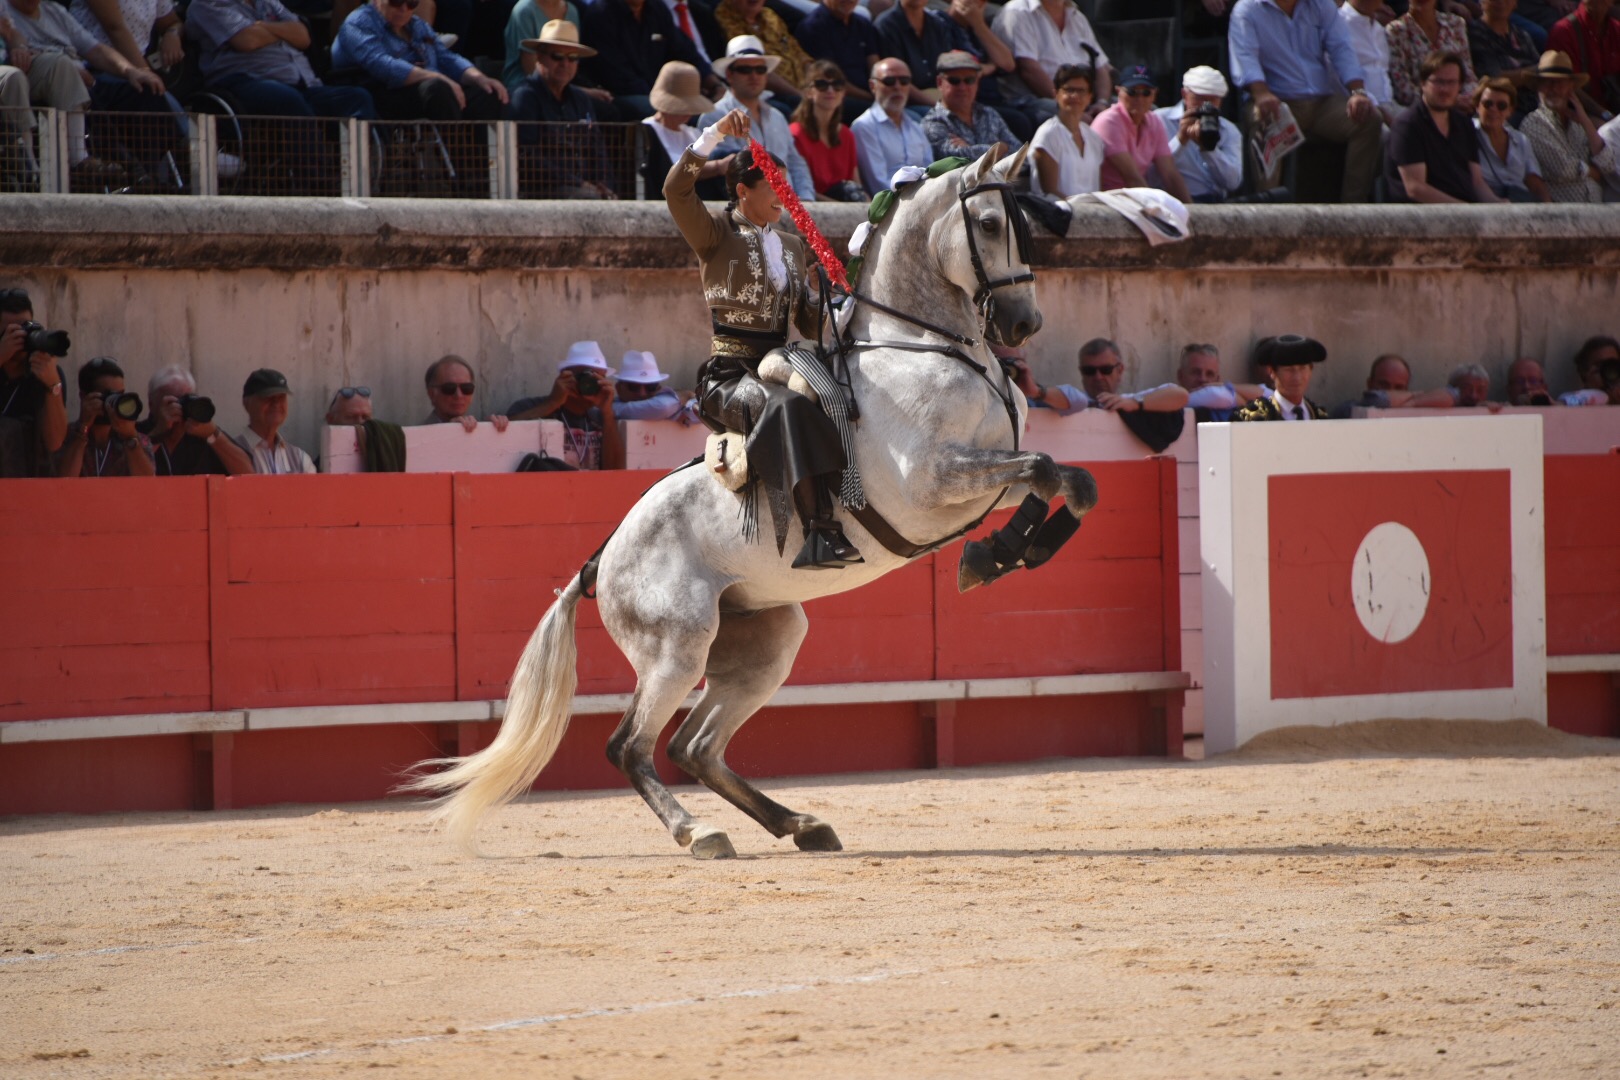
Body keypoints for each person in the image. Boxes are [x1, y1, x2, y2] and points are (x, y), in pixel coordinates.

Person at [665, 107, 858, 568]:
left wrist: (830, 297)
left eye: (785, 186)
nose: (783, 197)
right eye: (773, 186)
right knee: (787, 406)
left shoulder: (792, 246)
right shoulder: (714, 234)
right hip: (729, 376)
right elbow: (675, 190)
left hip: (783, 362)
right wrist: (714, 133)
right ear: (742, 191)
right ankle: (818, 530)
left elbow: (807, 324)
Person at [1228, 0, 1382, 203]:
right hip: (1276, 100)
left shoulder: (1321, 4)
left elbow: (1342, 47)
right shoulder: (1247, 9)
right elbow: (1245, 56)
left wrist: (1358, 92)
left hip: (1321, 103)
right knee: (1267, 120)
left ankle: (1353, 208)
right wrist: (1261, 93)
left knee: (1369, 119)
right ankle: (1269, 212)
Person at [5, 0, 173, 184]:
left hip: (85, 82)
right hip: (48, 84)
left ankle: (154, 173)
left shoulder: (54, 11)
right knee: (85, 92)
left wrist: (131, 71)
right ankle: (112, 167)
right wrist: (68, 69)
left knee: (145, 90)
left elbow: (96, 49)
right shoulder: (4, 10)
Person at [329, 0, 509, 121]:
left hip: (427, 90)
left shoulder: (417, 24)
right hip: (381, 92)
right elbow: (384, 66)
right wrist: (437, 77)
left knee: (488, 92)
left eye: (411, 3)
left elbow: (446, 58)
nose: (404, 9)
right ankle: (455, 159)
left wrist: (479, 78)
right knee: (436, 88)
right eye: (396, 2)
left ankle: (480, 163)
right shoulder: (358, 23)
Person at [700, 35, 818, 200]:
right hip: (749, 208)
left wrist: (806, 200)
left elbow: (795, 164)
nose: (754, 75)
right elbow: (732, 175)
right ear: (729, 74)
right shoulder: (715, 117)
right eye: (745, 70)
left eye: (760, 70)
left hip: (788, 207)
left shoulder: (777, 117)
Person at [510, 20, 616, 198]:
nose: (565, 63)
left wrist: (604, 184)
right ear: (539, 57)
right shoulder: (524, 97)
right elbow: (525, 155)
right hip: (539, 191)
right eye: (557, 56)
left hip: (583, 188)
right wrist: (577, 183)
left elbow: (598, 150)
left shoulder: (581, 99)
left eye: (572, 57)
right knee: (588, 198)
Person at [1387, 50, 1505, 203]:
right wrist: (1467, 211)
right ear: (1423, 83)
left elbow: (1477, 183)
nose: (1445, 89)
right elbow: (1415, 188)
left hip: (1465, 210)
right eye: (1438, 82)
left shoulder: (1464, 124)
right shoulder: (1407, 125)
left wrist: (1498, 205)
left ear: (1460, 86)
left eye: (1451, 82)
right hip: (1422, 214)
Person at [507, 341, 628, 468]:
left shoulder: (601, 418)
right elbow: (504, 438)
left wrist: (607, 413)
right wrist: (553, 402)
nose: (590, 384)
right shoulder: (529, 407)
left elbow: (616, 471)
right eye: (585, 376)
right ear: (565, 375)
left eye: (598, 378)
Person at [579, 0, 707, 120]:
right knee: (685, 115)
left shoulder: (657, 8)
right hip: (618, 96)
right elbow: (614, 74)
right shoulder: (601, 13)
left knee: (705, 110)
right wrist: (660, 95)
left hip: (659, 93)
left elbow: (683, 50)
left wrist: (710, 79)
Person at [1522, 49, 1616, 201]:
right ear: (1538, 86)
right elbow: (1562, 169)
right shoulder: (1533, 123)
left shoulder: (1579, 125)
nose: (1554, 88)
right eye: (1547, 82)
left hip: (1596, 209)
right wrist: (1592, 171)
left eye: (1560, 83)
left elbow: (1608, 164)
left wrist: (1585, 120)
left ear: (1571, 87)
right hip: (1563, 212)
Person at [1091, 65, 1191, 202]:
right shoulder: (1108, 121)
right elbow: (1132, 177)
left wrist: (1191, 211)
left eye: (1146, 93)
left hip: (1135, 200)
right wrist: (1155, 209)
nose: (1139, 98)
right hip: (1107, 202)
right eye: (1132, 92)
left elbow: (1170, 174)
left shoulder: (1154, 121)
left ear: (1154, 94)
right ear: (1118, 91)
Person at [991, 0, 1111, 110]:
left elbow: (1101, 67)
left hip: (1083, 101)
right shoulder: (1017, 12)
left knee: (1116, 112)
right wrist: (1072, 110)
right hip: (1036, 102)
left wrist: (1101, 103)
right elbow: (1029, 70)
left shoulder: (1077, 17)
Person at [139, 365, 254, 475]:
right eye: (173, 402)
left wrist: (213, 434)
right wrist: (158, 433)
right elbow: (130, 472)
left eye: (186, 400)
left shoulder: (203, 435)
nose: (180, 407)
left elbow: (248, 474)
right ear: (151, 404)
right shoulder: (136, 433)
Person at [0, 287, 67, 477]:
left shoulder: (44, 372)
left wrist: (53, 385)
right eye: (11, 332)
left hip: (28, 482)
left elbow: (54, 442)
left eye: (24, 329)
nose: (20, 338)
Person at [1153, 65, 1242, 203]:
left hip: (1215, 203)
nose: (1205, 106)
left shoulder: (1229, 130)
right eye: (1199, 98)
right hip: (1171, 202)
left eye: (1213, 100)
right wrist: (1180, 140)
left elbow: (1232, 183)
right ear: (1184, 94)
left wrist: (1209, 149)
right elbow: (1150, 175)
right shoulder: (1159, 120)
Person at [55, 356, 156, 477]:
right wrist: (83, 428)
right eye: (107, 395)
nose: (113, 402)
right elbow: (63, 481)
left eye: (119, 395)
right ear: (83, 397)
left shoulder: (136, 439)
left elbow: (147, 482)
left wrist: (129, 436)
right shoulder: (64, 436)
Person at [640, 60, 726, 196]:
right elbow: (666, 175)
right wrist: (717, 167)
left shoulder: (693, 133)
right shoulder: (646, 132)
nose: (687, 112)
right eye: (681, 106)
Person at [1043, 338, 1191, 416]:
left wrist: (1134, 403)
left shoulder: (1130, 400)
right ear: (1081, 372)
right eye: (1089, 371)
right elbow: (1044, 395)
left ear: (1120, 370)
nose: (1098, 377)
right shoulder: (1072, 400)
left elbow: (1180, 395)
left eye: (1106, 370)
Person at [849, 56, 932, 193]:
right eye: (889, 81)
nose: (897, 87)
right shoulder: (864, 127)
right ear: (873, 86)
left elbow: (930, 171)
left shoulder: (916, 127)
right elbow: (878, 185)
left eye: (904, 81)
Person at [920, 49, 1018, 159]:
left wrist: (972, 149)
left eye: (969, 80)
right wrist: (1001, 148)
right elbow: (956, 158)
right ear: (939, 82)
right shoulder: (933, 122)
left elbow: (1021, 154)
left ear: (977, 82)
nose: (962, 87)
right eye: (954, 80)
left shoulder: (989, 114)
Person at [792, 0, 878, 122]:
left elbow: (874, 63)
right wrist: (871, 97)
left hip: (870, 94)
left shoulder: (863, 24)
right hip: (835, 95)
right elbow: (829, 77)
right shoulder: (813, 27)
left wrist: (880, 89)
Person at [715, 0, 812, 108]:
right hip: (772, 94)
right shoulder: (725, 17)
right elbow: (754, 67)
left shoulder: (770, 15)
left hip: (803, 86)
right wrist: (799, 95)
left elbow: (799, 53)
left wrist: (814, 86)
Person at [790, 59, 865, 198]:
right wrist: (837, 207)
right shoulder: (796, 134)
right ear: (808, 92)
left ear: (843, 93)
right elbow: (801, 188)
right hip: (813, 206)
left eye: (837, 85)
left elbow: (856, 183)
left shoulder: (846, 134)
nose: (831, 90)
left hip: (848, 204)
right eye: (822, 85)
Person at [1028, 62, 1103, 197]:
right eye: (1069, 90)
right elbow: (1050, 191)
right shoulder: (1048, 135)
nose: (1075, 95)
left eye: (1081, 91)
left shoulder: (1094, 138)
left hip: (1089, 208)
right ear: (1056, 94)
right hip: (1055, 209)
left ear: (1090, 97)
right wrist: (1080, 208)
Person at [1388, 0, 1479, 108]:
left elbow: (1468, 74)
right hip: (1423, 109)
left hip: (1463, 107)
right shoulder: (1396, 31)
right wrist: (1449, 100)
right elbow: (1402, 88)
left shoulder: (1455, 24)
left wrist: (1469, 99)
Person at [1475, 75, 1552, 199]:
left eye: (1501, 106)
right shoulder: (1468, 134)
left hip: (1518, 203)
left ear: (1510, 111)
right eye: (1488, 104)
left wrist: (1549, 209)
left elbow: (1536, 184)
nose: (1493, 109)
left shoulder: (1521, 140)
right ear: (1477, 106)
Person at [227, 367, 316, 473]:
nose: (276, 403)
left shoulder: (301, 459)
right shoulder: (227, 453)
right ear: (246, 403)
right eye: (268, 397)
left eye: (281, 397)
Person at [873, 0, 955, 108]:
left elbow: (948, 68)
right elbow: (895, 79)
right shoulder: (886, 25)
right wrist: (936, 105)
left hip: (939, 97)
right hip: (905, 103)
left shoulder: (937, 24)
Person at [1469, 0, 1542, 118]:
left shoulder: (1522, 35)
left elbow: (1542, 74)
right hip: (1501, 108)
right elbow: (1493, 78)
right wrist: (1532, 73)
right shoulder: (1475, 33)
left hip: (1535, 105)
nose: (1501, 2)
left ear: (1515, 3)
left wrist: (1530, 74)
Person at [1232, 334, 1331, 421]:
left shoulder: (1319, 416)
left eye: (1302, 368)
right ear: (1272, 372)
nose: (1297, 377)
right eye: (1289, 370)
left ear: (1310, 370)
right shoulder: (1253, 418)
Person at [1547, 0, 1620, 114]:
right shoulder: (1563, 31)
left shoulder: (1616, 30)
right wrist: (1604, 114)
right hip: (1578, 113)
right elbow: (1566, 87)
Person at [1335, 0, 1399, 124]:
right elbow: (1336, 78)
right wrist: (1379, 110)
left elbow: (1383, 71)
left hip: (1390, 105)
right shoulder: (1338, 23)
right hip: (1360, 110)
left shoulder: (1378, 29)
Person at [501, 0, 580, 94]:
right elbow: (531, 70)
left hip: (563, 89)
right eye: (556, 56)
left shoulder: (572, 11)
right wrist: (582, 92)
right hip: (524, 89)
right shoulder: (524, 10)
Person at [1174, 342, 1268, 419]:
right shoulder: (1170, 398)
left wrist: (1226, 387)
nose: (1203, 379)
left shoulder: (1225, 400)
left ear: (1217, 379)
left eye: (1209, 374)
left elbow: (1267, 394)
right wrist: (1239, 400)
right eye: (1196, 372)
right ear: (1180, 376)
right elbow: (1216, 395)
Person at [423, 354, 510, 430]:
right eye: (449, 388)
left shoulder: (477, 429)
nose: (459, 395)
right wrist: (449, 430)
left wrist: (491, 431)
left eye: (466, 388)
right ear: (432, 394)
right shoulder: (420, 435)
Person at [613, 349, 693, 420]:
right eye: (634, 387)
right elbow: (663, 407)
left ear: (659, 388)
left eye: (650, 387)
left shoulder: (668, 404)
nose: (642, 393)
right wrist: (683, 396)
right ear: (619, 388)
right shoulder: (612, 407)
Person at [1572, 333, 1620, 404]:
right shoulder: (1573, 401)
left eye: (1612, 367)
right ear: (1584, 374)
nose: (1606, 373)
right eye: (1599, 366)